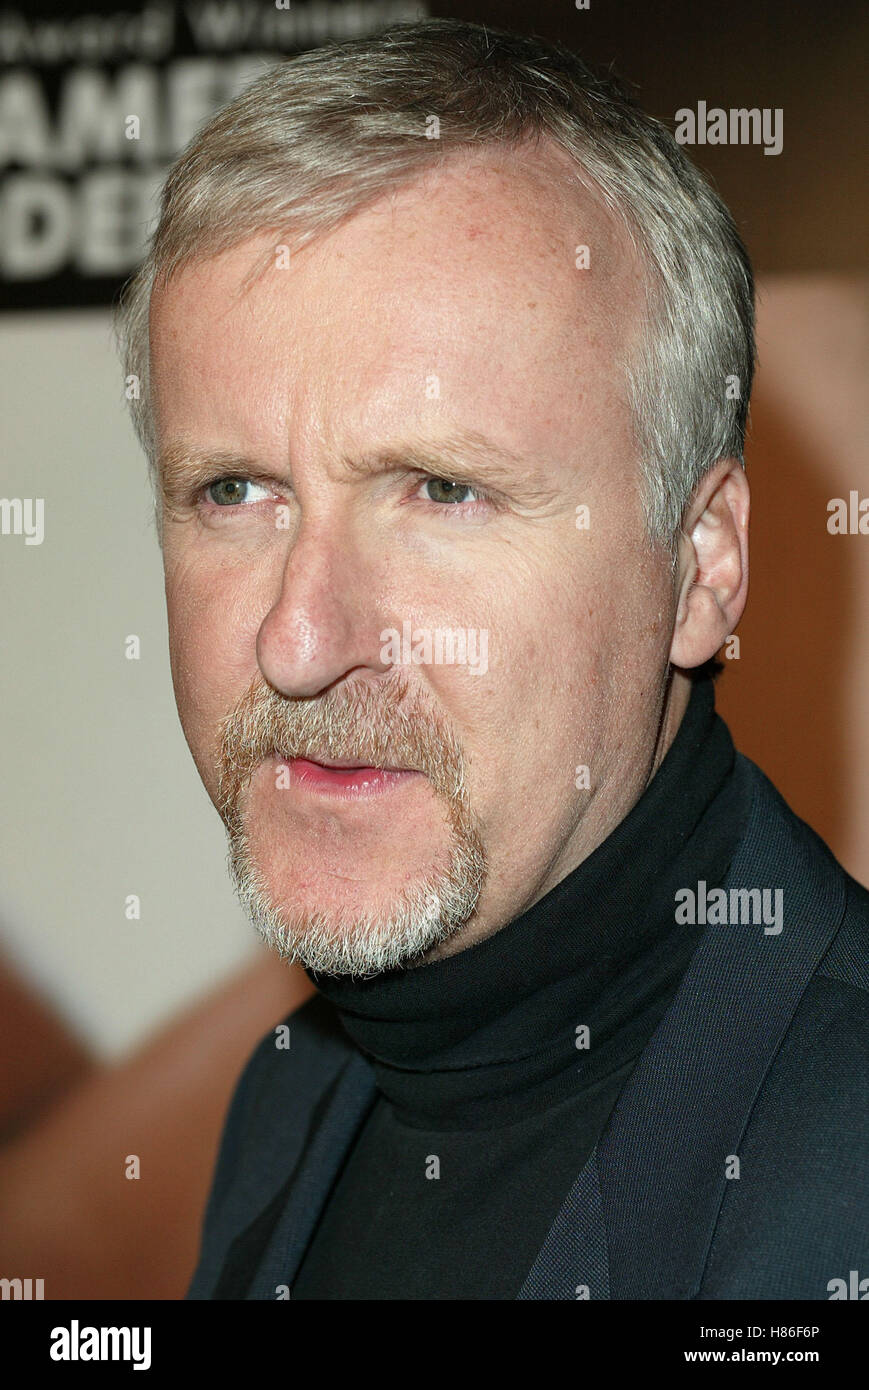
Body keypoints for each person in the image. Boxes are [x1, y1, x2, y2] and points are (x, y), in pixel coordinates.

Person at [116, 18, 869, 1300]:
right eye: (234, 489)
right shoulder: (291, 1098)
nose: (296, 643)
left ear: (699, 568)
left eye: (442, 489)